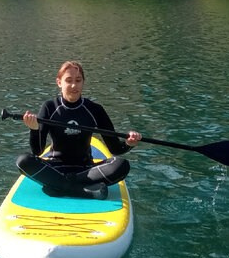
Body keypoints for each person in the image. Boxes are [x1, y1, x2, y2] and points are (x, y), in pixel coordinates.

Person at [18, 60, 141, 199]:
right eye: (68, 80)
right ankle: (80, 189)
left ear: (83, 82)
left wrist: (129, 144)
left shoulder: (94, 109)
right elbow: (38, 151)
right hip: (55, 168)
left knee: (122, 165)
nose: (73, 85)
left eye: (78, 80)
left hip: (86, 170)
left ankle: (62, 186)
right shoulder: (49, 107)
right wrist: (34, 130)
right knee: (23, 160)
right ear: (59, 82)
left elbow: (115, 149)